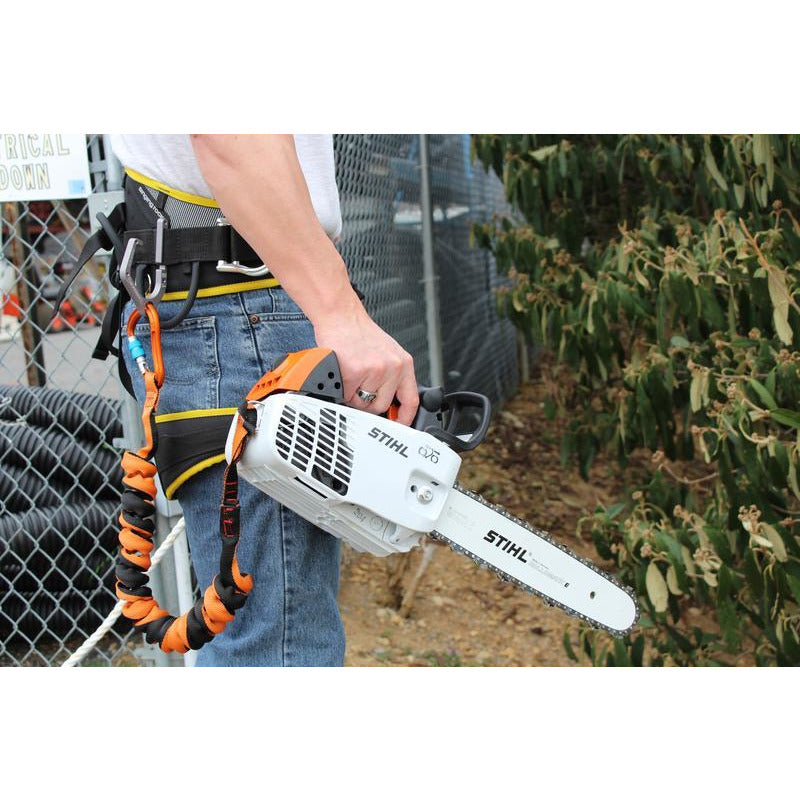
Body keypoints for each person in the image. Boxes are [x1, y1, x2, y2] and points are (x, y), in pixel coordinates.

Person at [109, 134, 419, 666]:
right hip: (241, 306)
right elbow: (231, 137)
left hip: (233, 302)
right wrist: (338, 311)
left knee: (269, 630)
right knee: (279, 645)